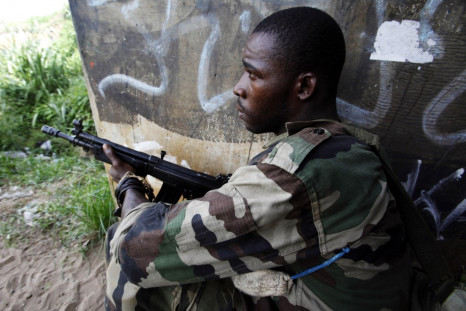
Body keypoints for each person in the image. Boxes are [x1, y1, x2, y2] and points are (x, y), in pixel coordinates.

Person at [103, 7, 412, 310]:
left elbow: (137, 248)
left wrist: (130, 187)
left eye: (253, 75)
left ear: (304, 86)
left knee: (126, 255)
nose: (238, 87)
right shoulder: (344, 146)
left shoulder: (297, 175)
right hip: (341, 291)